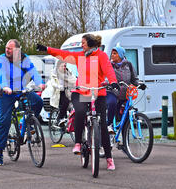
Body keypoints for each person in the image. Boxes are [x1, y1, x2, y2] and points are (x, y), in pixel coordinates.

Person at [37, 34, 119, 171]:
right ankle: (78, 143)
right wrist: (47, 49)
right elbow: (63, 54)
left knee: (103, 126)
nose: (82, 45)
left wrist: (114, 82)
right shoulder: (80, 56)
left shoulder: (102, 56)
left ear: (91, 43)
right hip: (81, 91)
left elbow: (108, 70)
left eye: (83, 43)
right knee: (80, 112)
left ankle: (109, 159)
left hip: (98, 92)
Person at [0, 39, 45, 166]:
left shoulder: (24, 58)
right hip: (6, 92)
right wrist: (5, 87)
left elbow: (33, 71)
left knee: (38, 102)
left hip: (21, 90)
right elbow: (0, 74)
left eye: (10, 49)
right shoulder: (2, 59)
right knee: (4, 120)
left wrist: (40, 83)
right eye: (6, 48)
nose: (7, 50)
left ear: (17, 50)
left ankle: (27, 122)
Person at [106, 46, 143, 133]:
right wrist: (109, 83)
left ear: (121, 55)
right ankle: (109, 125)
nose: (112, 55)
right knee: (112, 104)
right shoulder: (109, 65)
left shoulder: (128, 64)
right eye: (112, 53)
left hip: (126, 94)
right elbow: (106, 77)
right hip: (114, 92)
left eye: (115, 53)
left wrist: (140, 84)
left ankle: (125, 143)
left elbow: (134, 79)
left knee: (126, 118)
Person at [48, 59, 77, 127]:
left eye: (65, 66)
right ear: (58, 66)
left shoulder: (68, 72)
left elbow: (73, 79)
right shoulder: (54, 73)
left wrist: (79, 83)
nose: (64, 67)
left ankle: (70, 120)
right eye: (62, 66)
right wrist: (58, 86)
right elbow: (53, 82)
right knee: (65, 102)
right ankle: (59, 118)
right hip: (58, 92)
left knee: (75, 101)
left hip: (67, 91)